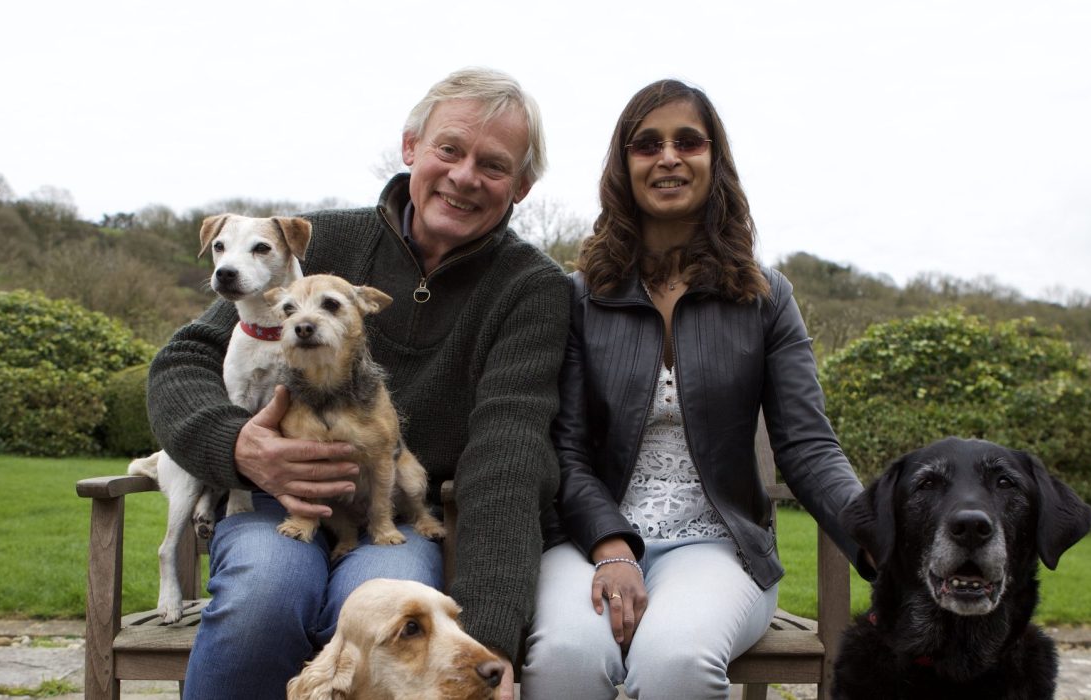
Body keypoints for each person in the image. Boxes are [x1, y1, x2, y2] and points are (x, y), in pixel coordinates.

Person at [145, 67, 570, 699]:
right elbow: (183, 363)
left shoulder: (531, 289)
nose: (463, 176)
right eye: (448, 150)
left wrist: (491, 645)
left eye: (493, 164)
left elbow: (509, 455)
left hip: (389, 515)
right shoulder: (316, 243)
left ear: (522, 185)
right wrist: (239, 447)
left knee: (394, 623)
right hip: (275, 505)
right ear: (410, 148)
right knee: (263, 600)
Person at [521, 79, 873, 699]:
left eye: (689, 141)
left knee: (677, 661)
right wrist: (610, 547)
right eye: (647, 144)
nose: (668, 157)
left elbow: (808, 447)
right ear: (622, 164)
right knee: (565, 658)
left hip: (718, 547)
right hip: (585, 540)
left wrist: (882, 542)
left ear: (715, 160)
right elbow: (565, 450)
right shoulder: (578, 296)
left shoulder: (766, 297)